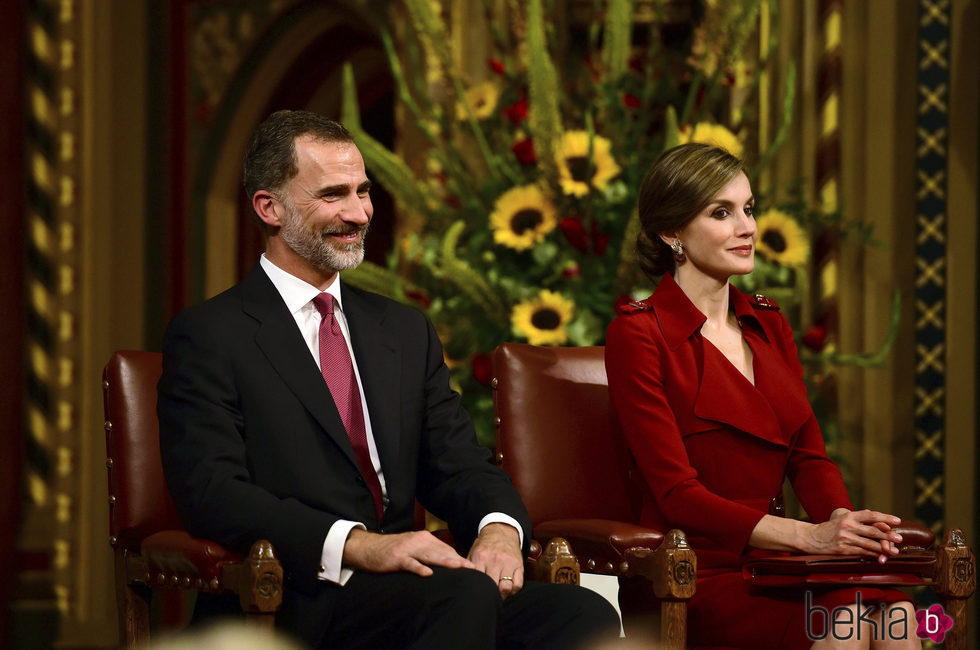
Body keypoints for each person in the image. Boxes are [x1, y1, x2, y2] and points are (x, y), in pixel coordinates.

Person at [158, 110, 619, 649]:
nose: (359, 213)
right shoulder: (211, 334)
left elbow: (457, 463)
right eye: (333, 195)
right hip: (295, 595)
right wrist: (359, 546)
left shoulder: (402, 330)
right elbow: (213, 493)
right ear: (270, 208)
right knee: (462, 597)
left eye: (363, 191)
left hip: (415, 590)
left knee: (580, 615)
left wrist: (498, 528)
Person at [604, 143, 920, 649]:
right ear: (671, 233)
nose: (747, 227)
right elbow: (675, 494)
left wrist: (840, 522)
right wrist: (807, 535)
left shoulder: (768, 322)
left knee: (898, 610)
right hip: (691, 572)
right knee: (854, 618)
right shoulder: (639, 335)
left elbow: (811, 458)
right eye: (721, 213)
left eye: (748, 208)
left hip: (779, 562)